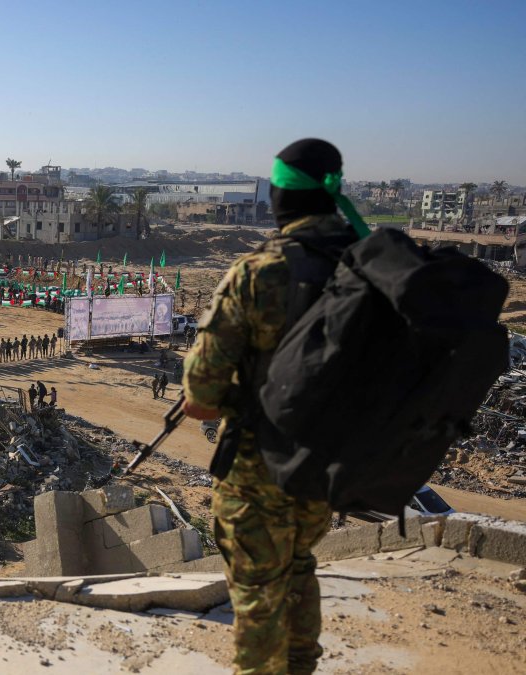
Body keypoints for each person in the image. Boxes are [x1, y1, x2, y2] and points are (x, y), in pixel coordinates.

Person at [183, 139, 358, 674]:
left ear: (279, 196)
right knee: (299, 565)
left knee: (258, 586)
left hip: (264, 462)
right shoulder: (368, 265)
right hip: (328, 460)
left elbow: (200, 400)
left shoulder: (260, 273)